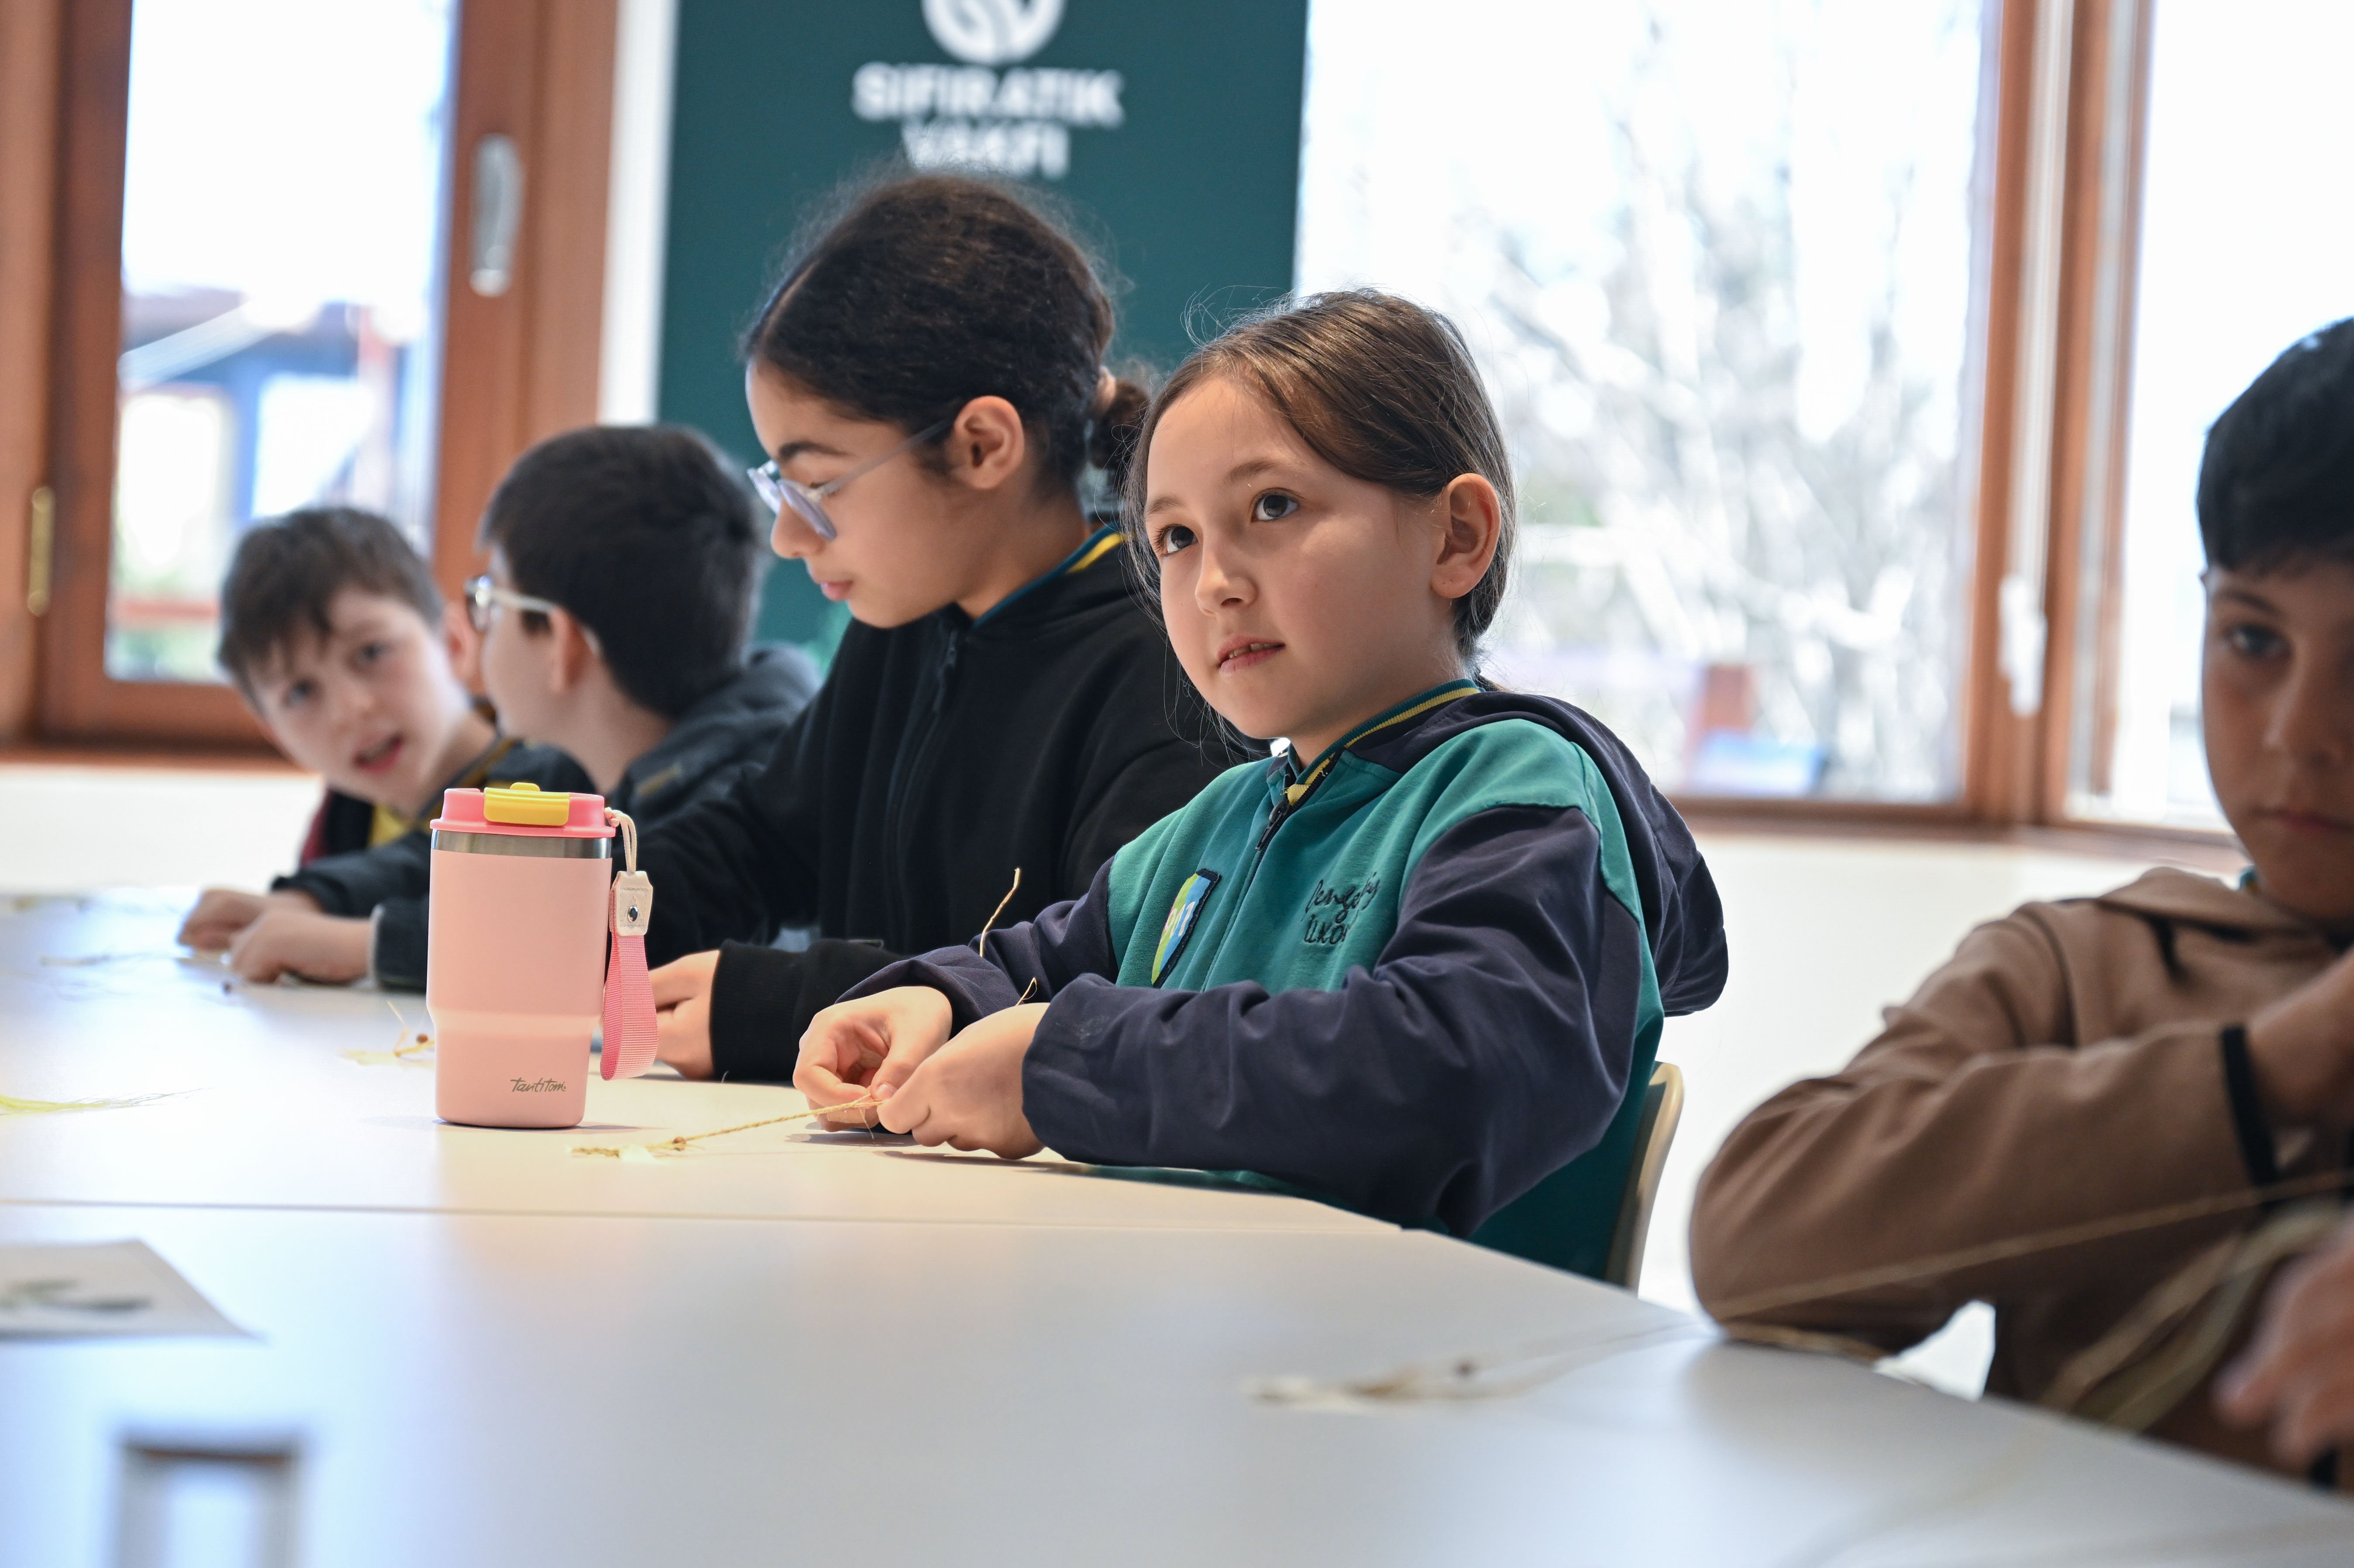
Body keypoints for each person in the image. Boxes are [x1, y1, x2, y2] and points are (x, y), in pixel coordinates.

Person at [792, 291, 1727, 1256]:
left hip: (1425, 1370)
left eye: (1271, 507)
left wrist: (1071, 1063)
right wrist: (938, 1000)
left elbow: (1447, 1069)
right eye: (1175, 538)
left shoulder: (1514, 793)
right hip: (1214, 1338)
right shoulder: (1221, 818)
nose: (1212, 584)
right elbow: (1041, 965)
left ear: (1455, 537)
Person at [1689, 320, 2354, 1479]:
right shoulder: (2087, 968)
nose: (2301, 733)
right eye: (2252, 637)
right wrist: (2262, 1073)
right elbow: (1758, 1237)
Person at [640, 172, 1246, 1084]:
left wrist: (786, 1004)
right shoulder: (906, 620)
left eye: (820, 482)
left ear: (980, 446)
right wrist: (593, 892)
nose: (786, 533)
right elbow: (761, 840)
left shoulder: (1162, 665)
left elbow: (1103, 977)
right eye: (780, 485)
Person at [187, 424, 816, 987]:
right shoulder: (579, 771)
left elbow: (630, 941)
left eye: (493, 601)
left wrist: (369, 946)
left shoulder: (754, 786)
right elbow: (450, 858)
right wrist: (313, 902)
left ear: (559, 644)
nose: (480, 629)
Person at [179, 506, 585, 983]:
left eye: (371, 653)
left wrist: (322, 908)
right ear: (274, 732)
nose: (349, 710)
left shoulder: (550, 781)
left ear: (453, 644)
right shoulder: (345, 812)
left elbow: (504, 923)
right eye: (301, 692)